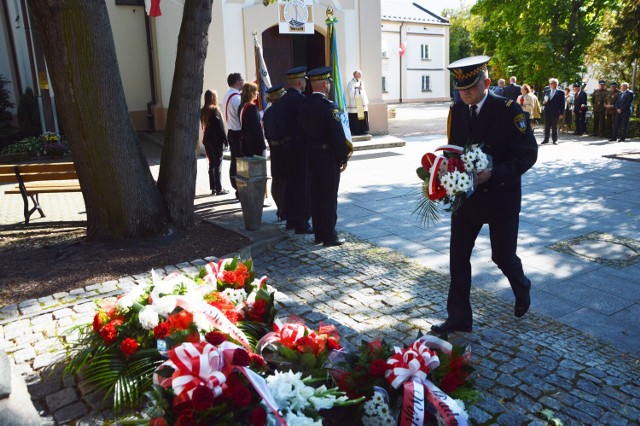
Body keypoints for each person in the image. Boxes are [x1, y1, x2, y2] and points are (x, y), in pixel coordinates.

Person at [430, 55, 538, 334]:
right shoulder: (457, 110)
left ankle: (521, 284)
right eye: (461, 90)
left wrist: (496, 173)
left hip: (502, 197)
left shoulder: (508, 109)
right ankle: (459, 318)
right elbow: (455, 149)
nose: (464, 95)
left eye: (470, 89)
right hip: (468, 199)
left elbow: (528, 154)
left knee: (502, 256)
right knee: (458, 256)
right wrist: (445, 172)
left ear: (486, 83)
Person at [299, 67, 349, 247]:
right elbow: (337, 136)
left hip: (311, 155)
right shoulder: (329, 108)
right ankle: (329, 236)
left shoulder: (303, 106)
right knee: (328, 196)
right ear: (325, 84)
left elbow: (301, 133)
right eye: (328, 82)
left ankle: (319, 234)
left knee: (316, 195)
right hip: (327, 157)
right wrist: (343, 157)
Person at [280, 66, 313, 234]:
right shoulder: (301, 101)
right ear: (300, 82)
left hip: (286, 147)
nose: (306, 83)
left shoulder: (282, 100)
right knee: (302, 186)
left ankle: (291, 219)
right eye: (305, 81)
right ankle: (302, 223)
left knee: (291, 184)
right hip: (300, 147)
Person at [262, 83, 287, 220]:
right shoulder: (282, 111)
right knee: (284, 180)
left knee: (277, 179)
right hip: (283, 148)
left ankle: (280, 210)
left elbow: (266, 133)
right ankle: (284, 210)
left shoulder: (267, 113)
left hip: (274, 148)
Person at [200, 90, 229, 195]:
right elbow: (220, 127)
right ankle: (219, 188)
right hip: (216, 140)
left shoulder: (202, 110)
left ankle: (213, 187)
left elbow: (204, 126)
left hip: (207, 139)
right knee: (218, 164)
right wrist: (225, 140)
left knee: (211, 163)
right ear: (213, 98)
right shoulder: (215, 110)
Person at [222, 73, 245, 199]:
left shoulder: (227, 94)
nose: (243, 82)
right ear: (236, 82)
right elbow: (242, 117)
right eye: (241, 80)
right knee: (240, 162)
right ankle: (239, 189)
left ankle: (236, 187)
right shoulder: (236, 98)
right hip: (237, 132)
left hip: (231, 131)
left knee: (234, 161)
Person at [238, 82, 266, 157]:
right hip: (255, 146)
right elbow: (257, 129)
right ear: (252, 93)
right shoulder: (252, 108)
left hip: (246, 144)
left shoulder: (242, 107)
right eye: (256, 91)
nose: (257, 93)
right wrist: (263, 147)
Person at [541, 78, 564, 144]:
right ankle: (546, 139)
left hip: (555, 112)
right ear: (549, 84)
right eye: (552, 83)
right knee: (547, 126)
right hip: (547, 111)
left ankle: (555, 140)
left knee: (554, 126)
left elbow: (562, 103)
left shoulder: (561, 92)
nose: (554, 85)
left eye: (555, 84)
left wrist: (561, 113)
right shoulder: (546, 91)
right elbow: (543, 101)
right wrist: (544, 101)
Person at [346, 70, 369, 135]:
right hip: (355, 102)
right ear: (354, 75)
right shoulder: (351, 83)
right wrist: (357, 89)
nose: (360, 75)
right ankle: (356, 130)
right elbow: (350, 93)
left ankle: (363, 130)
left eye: (360, 74)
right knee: (355, 116)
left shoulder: (361, 82)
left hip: (361, 102)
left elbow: (363, 92)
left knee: (363, 115)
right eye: (358, 74)